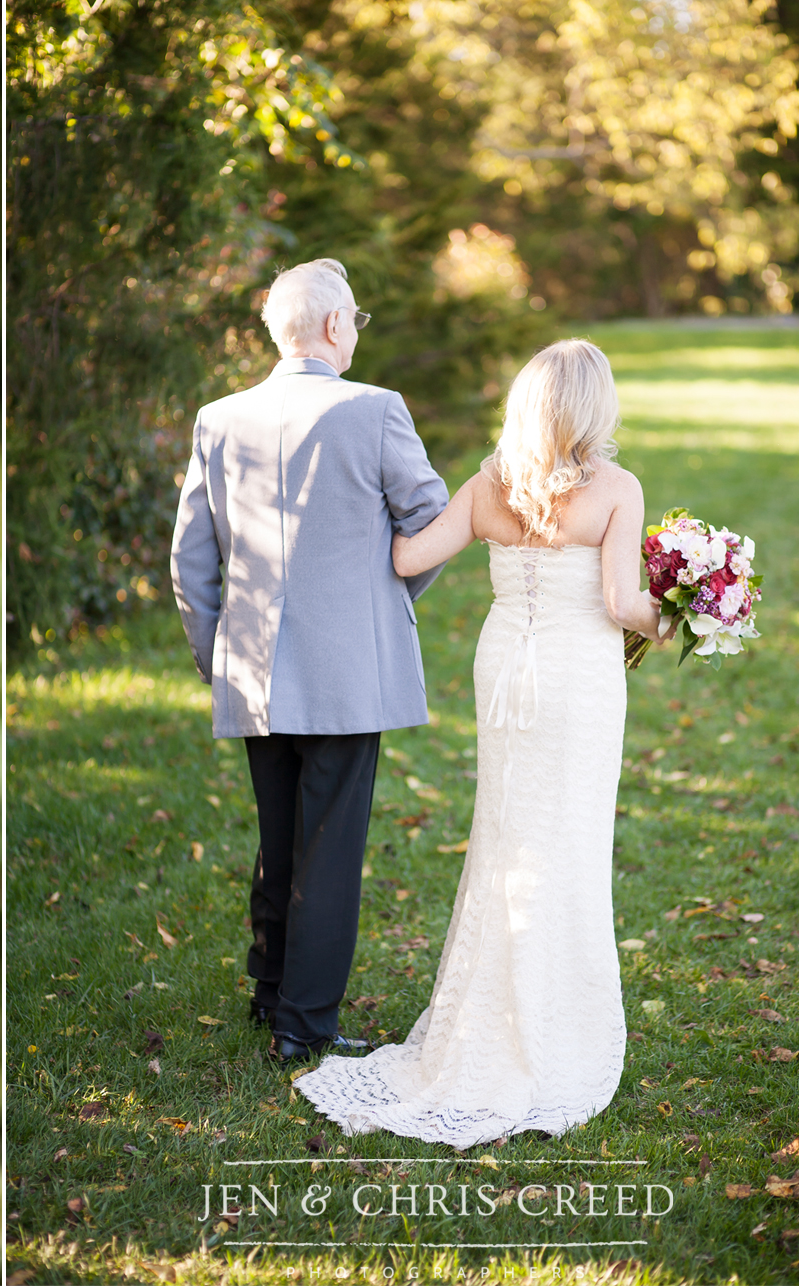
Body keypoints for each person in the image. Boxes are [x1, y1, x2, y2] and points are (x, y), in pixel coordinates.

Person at [294, 338, 676, 1148]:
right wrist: (682, 615)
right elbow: (619, 603)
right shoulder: (618, 488)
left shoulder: (486, 487)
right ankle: (549, 1026)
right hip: (575, 678)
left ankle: (492, 1011)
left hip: (503, 671)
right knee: (566, 840)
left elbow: (405, 555)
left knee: (506, 837)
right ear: (594, 407)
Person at [169, 258, 450, 1065]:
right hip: (346, 673)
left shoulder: (219, 418)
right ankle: (303, 1028)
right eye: (355, 319)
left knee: (282, 834)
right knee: (327, 848)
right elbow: (429, 525)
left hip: (254, 666)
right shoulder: (376, 410)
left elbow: (190, 562)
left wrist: (215, 654)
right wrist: (383, 608)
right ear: (333, 326)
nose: (356, 332)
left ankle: (270, 994)